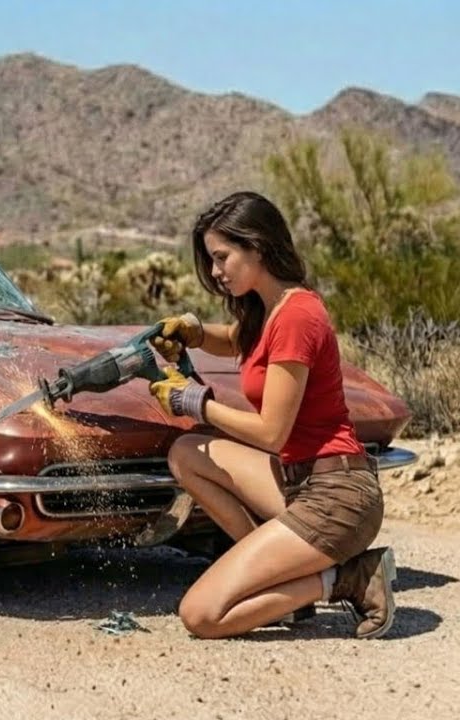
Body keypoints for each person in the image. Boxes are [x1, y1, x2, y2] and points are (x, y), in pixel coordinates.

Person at [140, 191, 396, 640]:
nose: (216, 272)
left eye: (222, 257)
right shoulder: (268, 308)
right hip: (300, 481)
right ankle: (279, 580)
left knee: (201, 615)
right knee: (188, 452)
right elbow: (237, 339)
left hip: (338, 497)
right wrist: (195, 333)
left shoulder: (297, 315)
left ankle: (348, 578)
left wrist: (192, 401)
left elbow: (272, 433)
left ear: (256, 247)